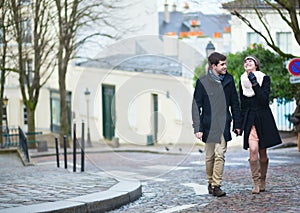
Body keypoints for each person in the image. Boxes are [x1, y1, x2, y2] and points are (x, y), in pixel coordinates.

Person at [192, 52, 241, 197]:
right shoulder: (202, 82)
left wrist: (237, 124)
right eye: (222, 64)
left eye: (225, 63)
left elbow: (235, 103)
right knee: (209, 157)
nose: (225, 66)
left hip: (223, 123)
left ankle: (216, 185)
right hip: (208, 124)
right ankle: (210, 181)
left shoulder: (229, 80)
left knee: (220, 155)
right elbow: (196, 106)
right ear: (214, 66)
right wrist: (198, 128)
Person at [239, 55, 282, 194]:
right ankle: (255, 182)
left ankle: (263, 180)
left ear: (256, 65)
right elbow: (242, 104)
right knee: (253, 150)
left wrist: (255, 84)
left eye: (250, 60)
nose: (247, 62)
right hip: (250, 119)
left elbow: (264, 100)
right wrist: (239, 123)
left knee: (263, 154)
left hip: (263, 119)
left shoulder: (264, 78)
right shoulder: (242, 80)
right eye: (245, 61)